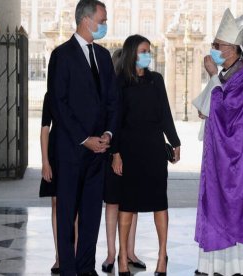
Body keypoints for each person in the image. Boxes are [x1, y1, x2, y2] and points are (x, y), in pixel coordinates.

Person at [47, 0, 119, 275]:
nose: (105, 25)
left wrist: (108, 134)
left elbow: (113, 99)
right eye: (102, 20)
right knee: (67, 215)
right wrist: (83, 138)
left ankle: (86, 267)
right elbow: (58, 102)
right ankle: (68, 269)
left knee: (91, 214)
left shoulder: (102, 55)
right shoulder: (61, 55)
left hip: (98, 151)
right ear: (86, 20)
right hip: (70, 150)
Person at [194, 8, 243, 276]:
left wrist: (212, 75)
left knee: (231, 206)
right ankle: (213, 263)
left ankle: (234, 264)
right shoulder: (228, 74)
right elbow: (214, 105)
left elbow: (226, 110)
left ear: (233, 49)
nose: (214, 49)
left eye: (218, 45)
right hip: (220, 156)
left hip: (235, 158)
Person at [112, 34, 181, 276]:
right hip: (129, 150)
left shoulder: (156, 80)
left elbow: (164, 112)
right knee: (127, 206)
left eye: (149, 51)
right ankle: (123, 257)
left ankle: (162, 256)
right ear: (132, 53)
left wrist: (175, 141)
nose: (147, 55)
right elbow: (115, 120)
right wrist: (115, 153)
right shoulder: (119, 82)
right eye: (143, 51)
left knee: (159, 203)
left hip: (154, 149)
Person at [101, 48, 145, 273]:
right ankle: (111, 253)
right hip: (115, 151)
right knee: (114, 203)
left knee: (131, 204)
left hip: (134, 152)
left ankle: (128, 251)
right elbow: (112, 122)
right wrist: (115, 153)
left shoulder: (137, 85)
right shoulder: (113, 87)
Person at [39, 91, 60, 274]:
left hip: (78, 149)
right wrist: (45, 161)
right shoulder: (50, 95)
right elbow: (45, 127)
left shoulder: (83, 88)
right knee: (56, 203)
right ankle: (59, 256)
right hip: (55, 151)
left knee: (75, 204)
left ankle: (74, 253)